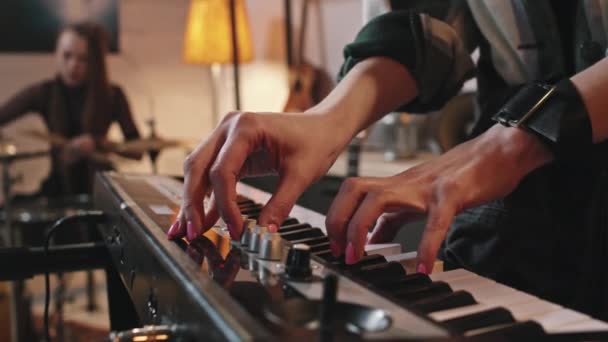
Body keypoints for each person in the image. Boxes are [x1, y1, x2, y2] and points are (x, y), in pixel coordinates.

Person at [170, 1, 608, 319]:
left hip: (507, 155)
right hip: (514, 198)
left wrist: (510, 143)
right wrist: (327, 119)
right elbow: (432, 26)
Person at [0, 22, 141, 197]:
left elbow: (137, 150)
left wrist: (97, 143)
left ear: (96, 62)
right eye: (67, 56)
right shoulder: (44, 93)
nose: (73, 65)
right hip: (58, 190)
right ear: (57, 54)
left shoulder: (113, 95)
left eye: (83, 59)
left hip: (102, 190)